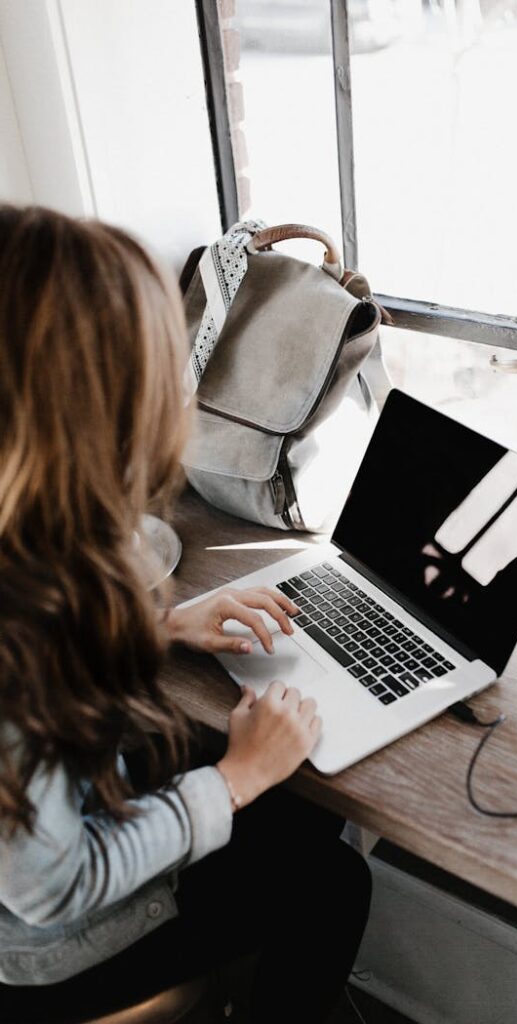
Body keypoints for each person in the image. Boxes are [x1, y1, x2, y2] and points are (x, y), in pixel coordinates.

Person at [0, 205, 371, 1024]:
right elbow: (53, 890)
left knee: (295, 813)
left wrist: (159, 625)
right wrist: (237, 777)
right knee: (330, 881)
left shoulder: (29, 559)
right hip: (38, 960)